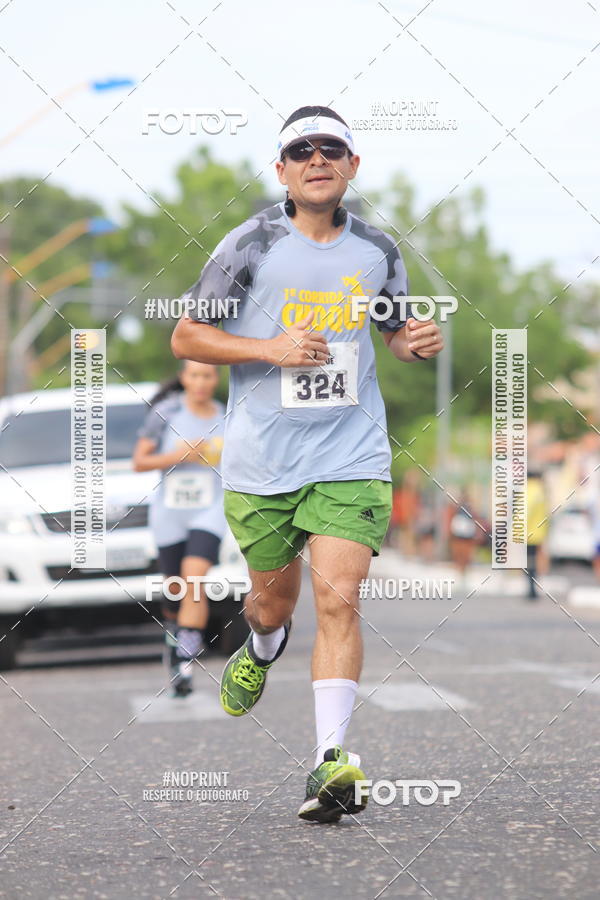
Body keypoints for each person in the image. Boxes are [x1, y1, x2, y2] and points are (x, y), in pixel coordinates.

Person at [171, 105, 444, 821]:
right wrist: (270, 349)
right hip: (263, 463)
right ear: (283, 169)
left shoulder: (379, 250)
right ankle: (262, 646)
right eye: (302, 149)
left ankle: (331, 762)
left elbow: (391, 330)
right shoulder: (250, 244)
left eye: (332, 148)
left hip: (350, 453)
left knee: (340, 596)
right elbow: (187, 336)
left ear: (352, 166)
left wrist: (412, 341)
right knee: (274, 603)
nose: (317, 158)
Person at [133, 360, 226, 695]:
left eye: (208, 374)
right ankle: (173, 634)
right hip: (170, 513)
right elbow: (139, 462)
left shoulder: (226, 416)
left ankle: (184, 662)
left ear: (216, 378)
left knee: (195, 578)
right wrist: (179, 455)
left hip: (210, 510)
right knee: (175, 592)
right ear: (184, 378)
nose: (201, 381)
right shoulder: (165, 413)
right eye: (195, 375)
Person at [525, 469, 549, 600]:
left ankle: (531, 589)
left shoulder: (530, 491)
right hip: (538, 533)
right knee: (534, 561)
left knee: (530, 562)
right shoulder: (541, 491)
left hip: (528, 533)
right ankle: (532, 588)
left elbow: (525, 512)